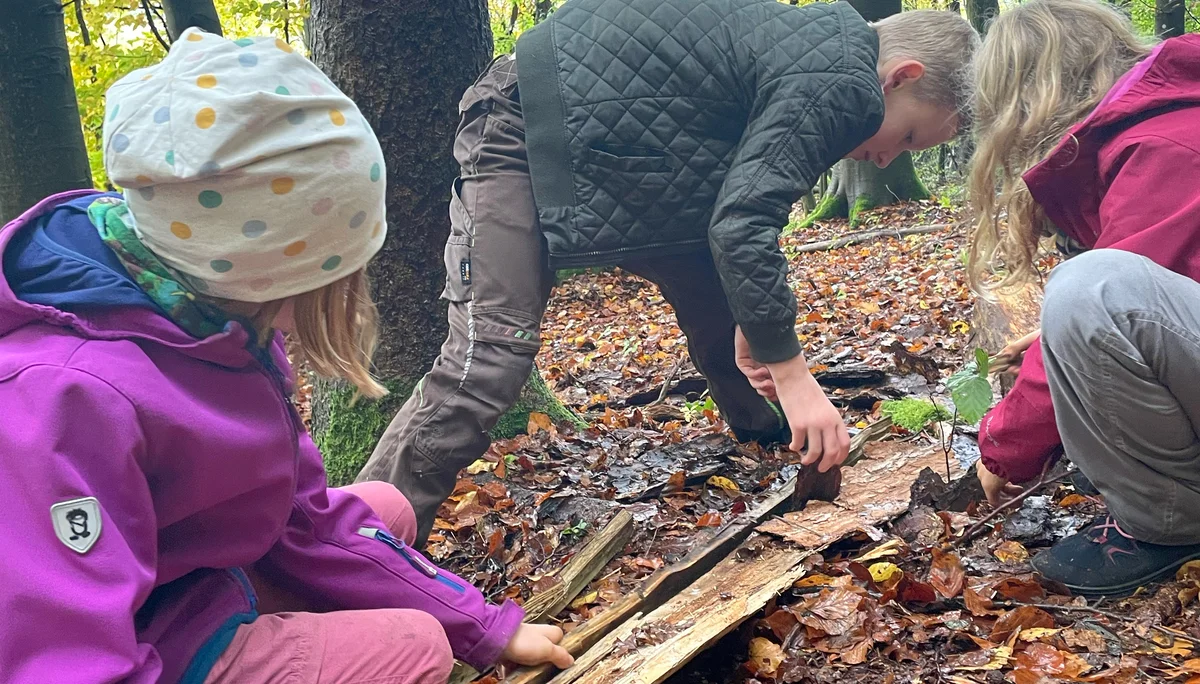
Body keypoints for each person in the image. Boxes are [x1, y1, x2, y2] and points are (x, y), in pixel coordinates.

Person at [0, 30, 573, 683]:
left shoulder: (211, 318)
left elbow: (300, 517)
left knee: (386, 506)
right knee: (415, 648)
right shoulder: (60, 396)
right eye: (322, 287)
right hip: (139, 641)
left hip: (190, 586)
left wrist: (482, 623)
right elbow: (59, 658)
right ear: (263, 269)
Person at [359, 0, 980, 542]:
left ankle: (770, 444)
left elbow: (737, 217)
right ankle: (360, 542)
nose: (888, 159)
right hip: (526, 122)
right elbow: (742, 223)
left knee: (723, 309)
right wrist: (794, 376)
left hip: (626, 153)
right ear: (901, 76)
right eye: (909, 136)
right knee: (490, 354)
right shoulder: (843, 78)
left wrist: (762, 332)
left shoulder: (816, 54)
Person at [968, 0, 1200, 596]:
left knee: (1088, 290)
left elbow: (1112, 300)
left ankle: (1170, 522)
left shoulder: (1167, 145)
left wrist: (1002, 450)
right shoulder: (1169, 121)